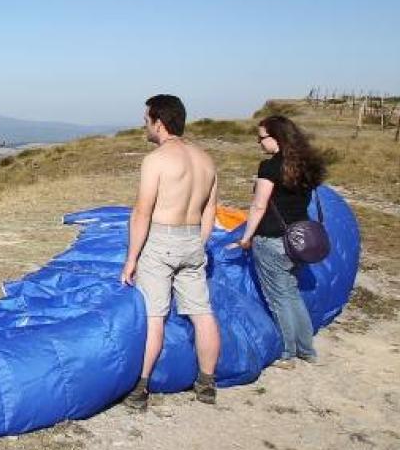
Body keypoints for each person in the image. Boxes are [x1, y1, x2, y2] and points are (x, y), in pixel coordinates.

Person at [120, 94, 222, 410]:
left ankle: (140, 388)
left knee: (154, 316)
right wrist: (199, 243)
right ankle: (207, 384)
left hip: (161, 240)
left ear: (159, 123)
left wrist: (131, 259)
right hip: (193, 238)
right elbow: (210, 210)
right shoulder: (205, 160)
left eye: (147, 121)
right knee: (202, 313)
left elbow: (143, 212)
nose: (145, 126)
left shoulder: (157, 160)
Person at [237, 115, 325, 368]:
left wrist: (246, 238)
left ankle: (287, 353)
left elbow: (259, 205)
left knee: (279, 298)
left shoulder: (270, 167)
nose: (259, 143)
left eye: (262, 138)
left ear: (277, 137)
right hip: (299, 239)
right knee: (292, 294)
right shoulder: (305, 165)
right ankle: (306, 349)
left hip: (272, 239)